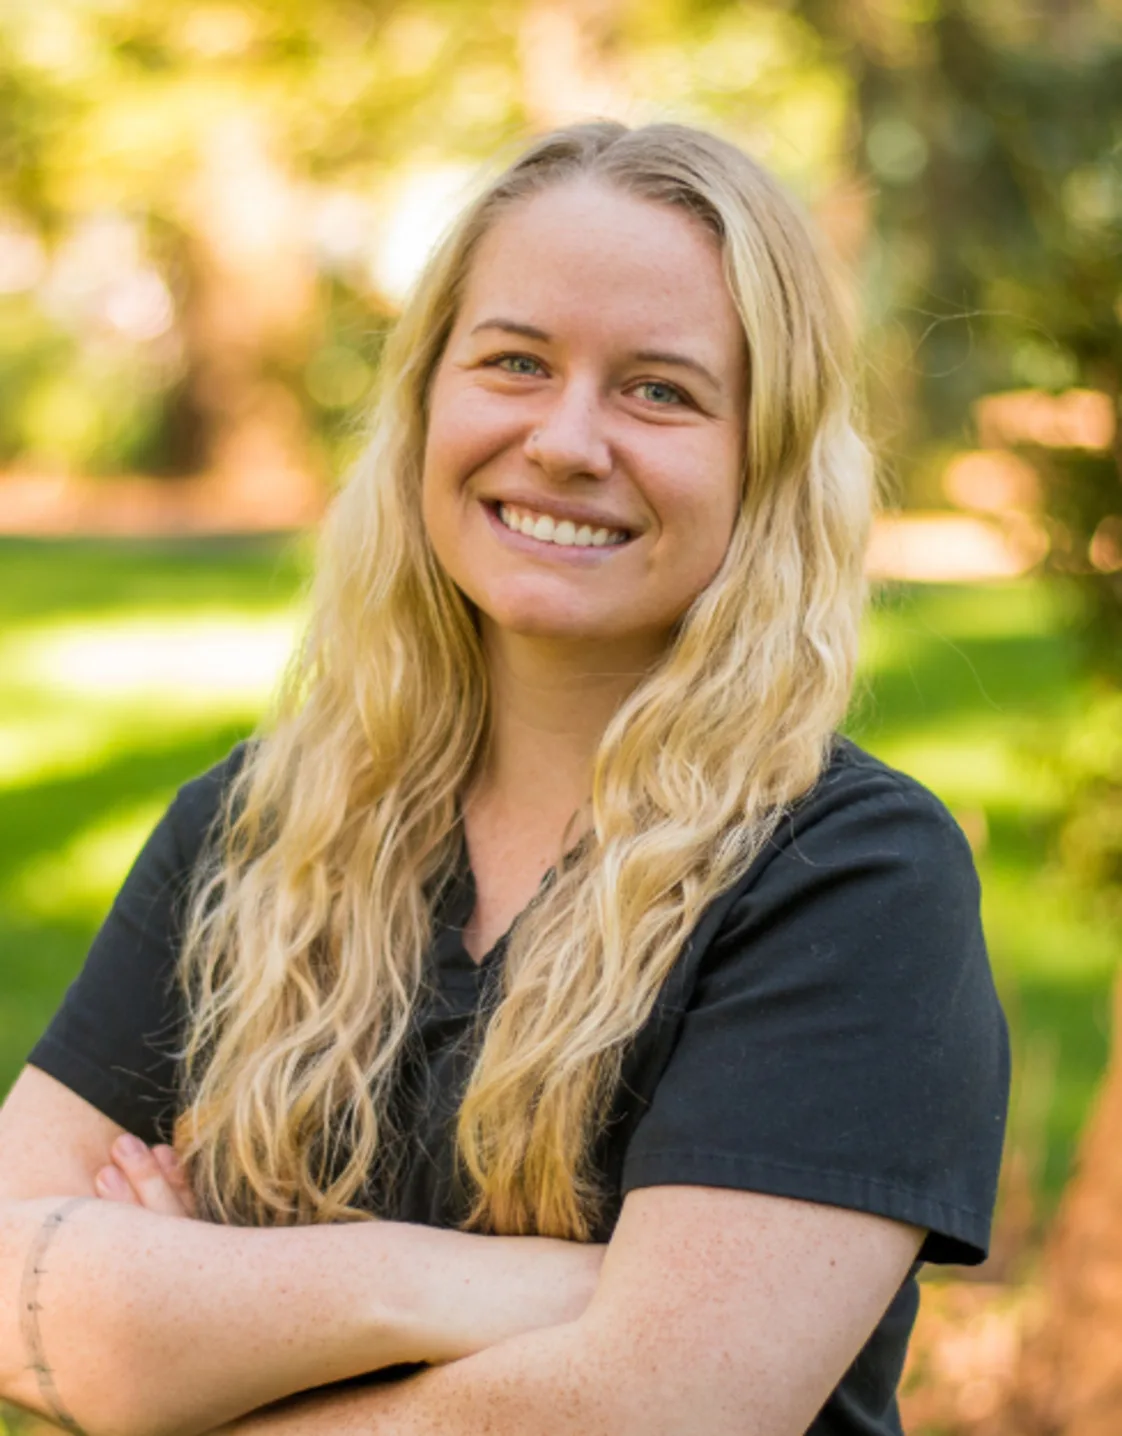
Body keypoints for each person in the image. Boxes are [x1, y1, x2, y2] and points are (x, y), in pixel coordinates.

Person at [0, 120, 1008, 1436]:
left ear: (765, 459)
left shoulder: (849, 879)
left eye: (659, 390)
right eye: (514, 362)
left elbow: (655, 1411)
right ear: (425, 396)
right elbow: (13, 1287)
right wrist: (427, 1285)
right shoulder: (257, 827)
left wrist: (186, 1329)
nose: (565, 441)